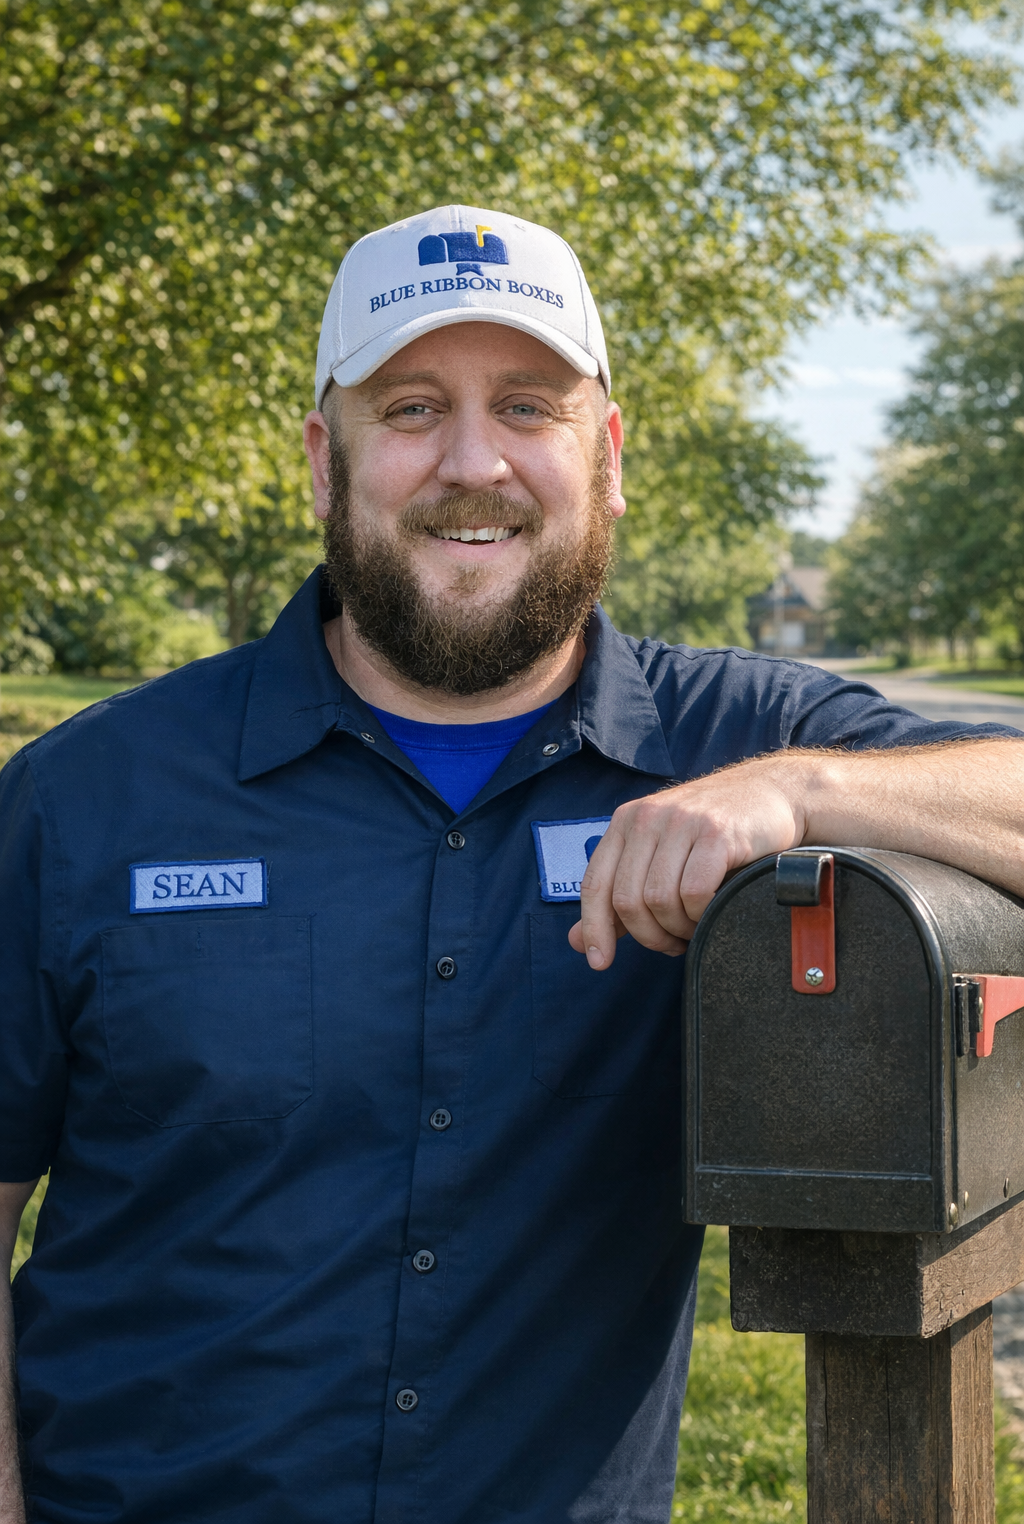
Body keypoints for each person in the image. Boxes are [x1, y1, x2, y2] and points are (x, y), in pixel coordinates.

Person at [1, 204, 1022, 1524]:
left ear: (605, 457)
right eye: (413, 408)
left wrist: (800, 789)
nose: (473, 461)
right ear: (324, 461)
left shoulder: (730, 742)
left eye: (529, 407)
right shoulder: (85, 799)